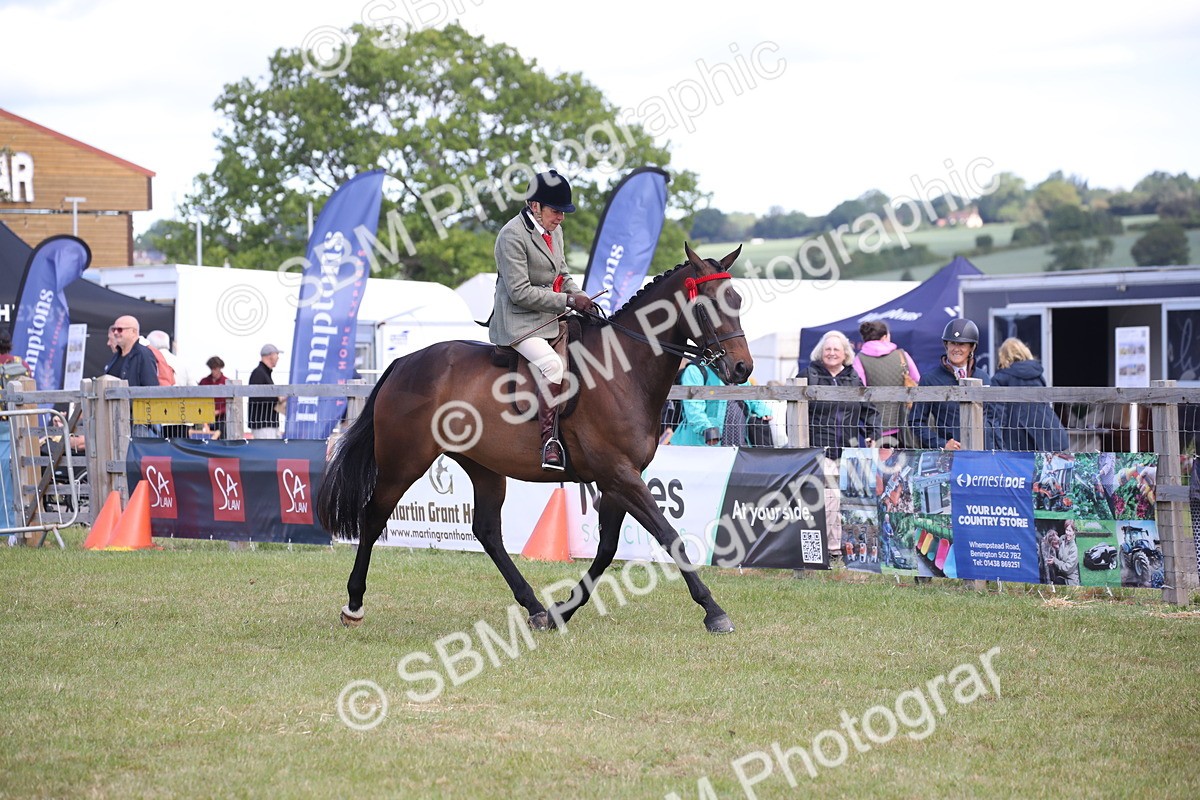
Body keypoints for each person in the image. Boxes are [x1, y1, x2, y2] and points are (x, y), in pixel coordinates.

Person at [489, 169, 592, 471]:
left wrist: (580, 295)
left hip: (548, 316)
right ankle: (549, 441)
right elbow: (519, 292)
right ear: (535, 206)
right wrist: (569, 301)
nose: (561, 217)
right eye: (556, 211)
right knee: (553, 365)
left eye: (563, 212)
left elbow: (561, 273)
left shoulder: (554, 231)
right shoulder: (511, 235)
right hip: (519, 322)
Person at [910, 318, 998, 451]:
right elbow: (916, 422)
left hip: (980, 455)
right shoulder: (929, 380)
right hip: (949, 457)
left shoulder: (983, 378)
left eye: (962, 344)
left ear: (972, 347)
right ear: (946, 345)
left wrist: (988, 444)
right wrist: (941, 444)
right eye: (953, 343)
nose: (956, 349)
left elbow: (993, 419)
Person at [806, 330, 880, 459]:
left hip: (849, 450)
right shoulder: (808, 376)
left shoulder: (854, 379)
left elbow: (870, 411)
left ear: (845, 354)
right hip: (816, 452)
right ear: (821, 352)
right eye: (828, 349)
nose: (832, 353)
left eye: (836, 349)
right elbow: (793, 414)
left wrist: (874, 434)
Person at [991, 337, 1069, 452]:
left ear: (1003, 356)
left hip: (1016, 442)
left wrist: (998, 444)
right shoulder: (1037, 375)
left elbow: (999, 415)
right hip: (1048, 436)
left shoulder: (1000, 378)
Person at [670, 361, 773, 446]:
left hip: (737, 447)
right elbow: (693, 409)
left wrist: (764, 411)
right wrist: (707, 429)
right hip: (700, 447)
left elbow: (752, 397)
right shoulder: (695, 371)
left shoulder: (736, 372)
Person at [852, 320, 920, 448]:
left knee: (880, 466)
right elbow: (916, 379)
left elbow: (859, 392)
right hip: (904, 423)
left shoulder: (859, 360)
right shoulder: (902, 355)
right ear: (885, 336)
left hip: (876, 427)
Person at [104, 315, 160, 437]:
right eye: (114, 329)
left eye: (120, 329)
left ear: (133, 332)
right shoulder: (116, 356)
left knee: (137, 455)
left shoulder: (143, 354)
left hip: (138, 424)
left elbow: (151, 388)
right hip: (118, 422)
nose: (115, 333)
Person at [248, 344, 283, 439]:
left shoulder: (263, 373)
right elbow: (256, 397)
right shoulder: (259, 373)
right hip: (263, 425)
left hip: (268, 424)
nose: (278, 358)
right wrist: (278, 398)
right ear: (270, 355)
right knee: (268, 452)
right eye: (277, 354)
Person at [199, 356, 230, 439]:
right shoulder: (204, 382)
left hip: (221, 419)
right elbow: (199, 401)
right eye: (212, 368)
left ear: (220, 368)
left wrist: (218, 411)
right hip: (205, 418)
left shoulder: (226, 382)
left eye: (215, 368)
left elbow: (230, 403)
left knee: (222, 440)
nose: (213, 371)